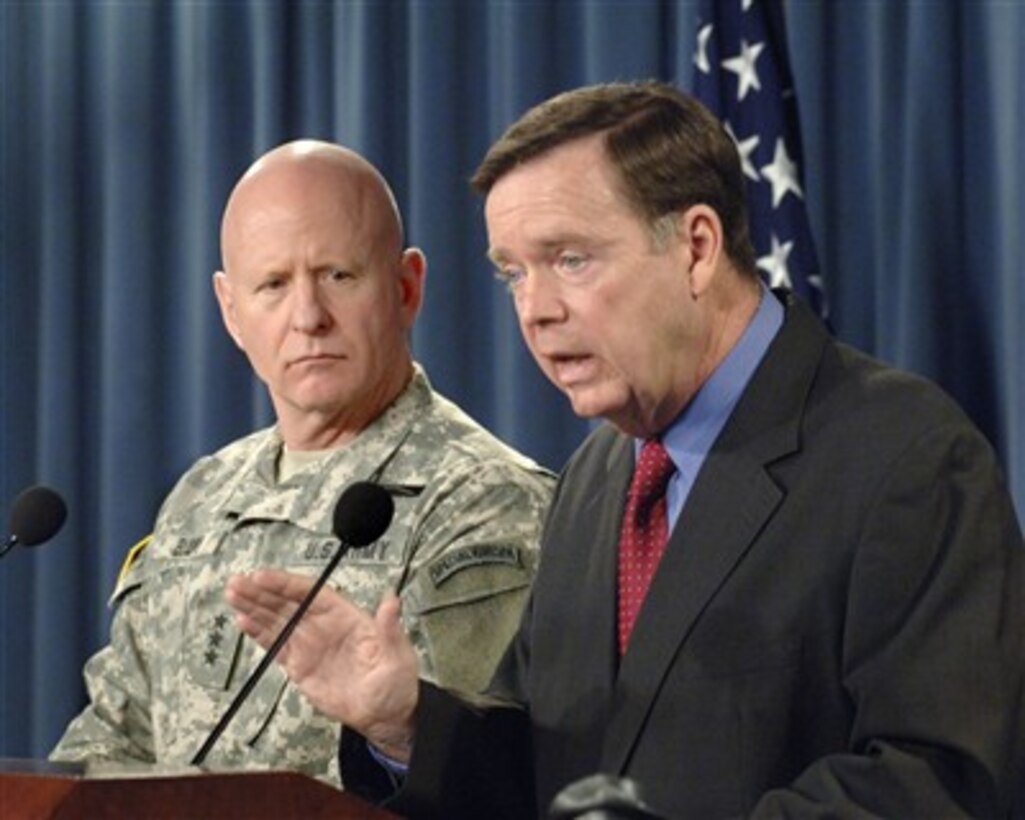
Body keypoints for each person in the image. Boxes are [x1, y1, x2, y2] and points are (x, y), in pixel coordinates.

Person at [225, 83, 1025, 818]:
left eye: (570, 259)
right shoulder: (598, 479)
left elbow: (943, 779)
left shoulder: (901, 455)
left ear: (696, 247)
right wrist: (402, 720)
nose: (534, 310)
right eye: (512, 274)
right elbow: (550, 774)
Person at [49, 140, 556, 787]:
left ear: (405, 287)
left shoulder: (489, 499)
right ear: (232, 312)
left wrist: (395, 729)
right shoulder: (201, 497)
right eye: (272, 285)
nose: (308, 317)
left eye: (337, 276)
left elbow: (478, 780)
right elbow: (113, 738)